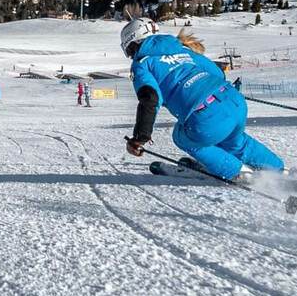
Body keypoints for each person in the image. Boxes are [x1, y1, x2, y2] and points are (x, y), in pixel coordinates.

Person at [121, 19, 283, 181]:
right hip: (234, 100)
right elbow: (217, 73)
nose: (130, 55)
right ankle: (279, 170)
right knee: (236, 142)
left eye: (128, 50)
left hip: (205, 115)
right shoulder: (182, 49)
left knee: (183, 137)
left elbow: (150, 98)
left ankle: (238, 173)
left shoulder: (142, 63)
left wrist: (140, 137)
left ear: (133, 43)